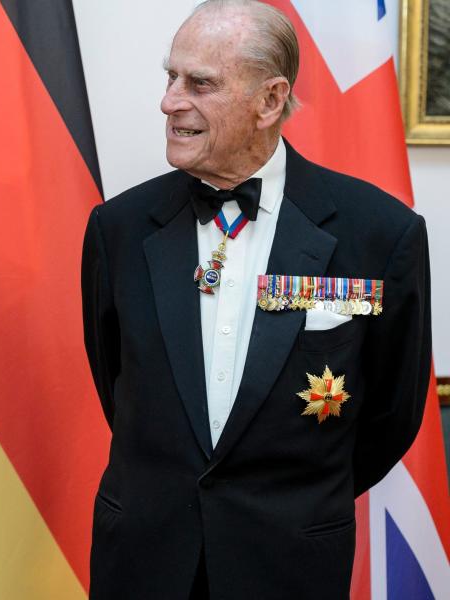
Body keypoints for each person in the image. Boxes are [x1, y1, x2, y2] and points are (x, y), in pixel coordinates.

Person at [80, 1, 431, 598]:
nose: (170, 101)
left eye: (201, 83)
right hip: (145, 559)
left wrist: (291, 498)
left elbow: (391, 413)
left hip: (289, 562)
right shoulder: (119, 229)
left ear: (270, 101)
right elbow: (117, 383)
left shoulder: (379, 234)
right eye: (171, 77)